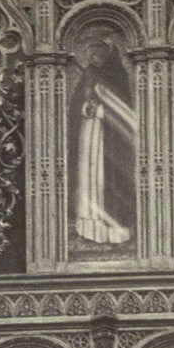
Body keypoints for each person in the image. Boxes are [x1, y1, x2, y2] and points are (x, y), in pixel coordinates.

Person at [68, 34, 136, 249]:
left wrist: (101, 105)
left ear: (106, 54)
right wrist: (86, 106)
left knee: (107, 180)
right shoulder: (88, 73)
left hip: (110, 140)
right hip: (89, 134)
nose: (93, 58)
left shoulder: (117, 75)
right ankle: (89, 229)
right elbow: (79, 104)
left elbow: (123, 111)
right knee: (90, 179)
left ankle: (114, 233)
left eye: (97, 54)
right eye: (90, 55)